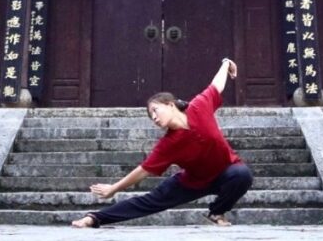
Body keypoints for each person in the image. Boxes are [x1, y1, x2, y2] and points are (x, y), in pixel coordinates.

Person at [71, 58, 253, 228]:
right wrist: (114, 189)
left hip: (226, 173)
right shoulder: (168, 144)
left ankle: (217, 213)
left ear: (170, 104)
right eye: (152, 117)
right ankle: (94, 218)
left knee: (242, 174)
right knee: (149, 202)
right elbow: (142, 171)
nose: (155, 118)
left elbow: (216, 85)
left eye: (156, 111)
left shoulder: (200, 106)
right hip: (192, 183)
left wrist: (226, 62)